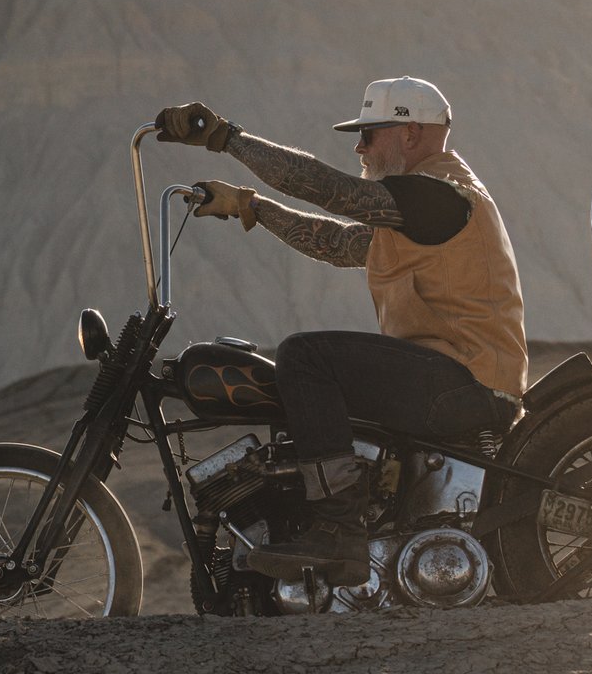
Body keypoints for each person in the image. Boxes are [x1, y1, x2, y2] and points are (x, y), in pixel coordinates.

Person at [154, 76, 526, 566]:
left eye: (368, 135)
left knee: (305, 358)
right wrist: (252, 208)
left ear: (409, 134)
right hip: (449, 376)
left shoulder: (440, 196)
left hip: (466, 382)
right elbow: (336, 243)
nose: (359, 147)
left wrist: (228, 139)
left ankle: (338, 529)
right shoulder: (414, 213)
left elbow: (332, 191)